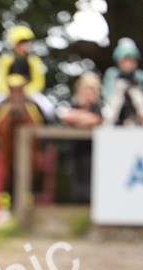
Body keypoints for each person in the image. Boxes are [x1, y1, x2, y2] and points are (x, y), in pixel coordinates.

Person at [58, 73, 103, 202]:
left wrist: (77, 118)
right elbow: (65, 116)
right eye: (86, 89)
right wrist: (85, 117)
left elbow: (96, 120)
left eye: (91, 90)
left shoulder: (99, 107)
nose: (88, 93)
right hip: (75, 153)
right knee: (77, 184)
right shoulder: (73, 105)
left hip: (94, 153)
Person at [101, 38, 143, 127]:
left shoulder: (139, 75)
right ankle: (107, 126)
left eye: (132, 61)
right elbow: (108, 96)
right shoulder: (112, 74)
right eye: (126, 60)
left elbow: (142, 98)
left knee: (138, 96)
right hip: (116, 112)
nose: (129, 64)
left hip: (134, 116)